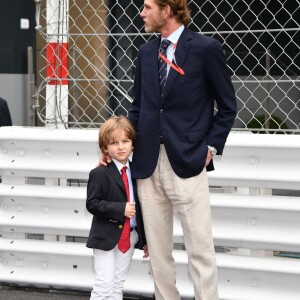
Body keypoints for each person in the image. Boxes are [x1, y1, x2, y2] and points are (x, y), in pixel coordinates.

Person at [100, 0, 237, 299]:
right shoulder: (146, 52)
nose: (141, 13)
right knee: (158, 254)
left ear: (168, 10)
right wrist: (113, 146)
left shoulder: (205, 49)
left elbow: (227, 106)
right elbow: (138, 108)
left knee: (200, 250)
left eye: (148, 7)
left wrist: (210, 147)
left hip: (188, 162)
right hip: (148, 164)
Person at [86, 115, 148, 300]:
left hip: (130, 236)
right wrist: (120, 209)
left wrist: (145, 240)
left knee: (117, 285)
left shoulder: (138, 172)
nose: (121, 147)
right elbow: (92, 203)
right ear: (105, 148)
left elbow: (143, 209)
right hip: (106, 235)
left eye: (125, 141)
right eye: (114, 143)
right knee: (104, 285)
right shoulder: (99, 173)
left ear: (133, 144)